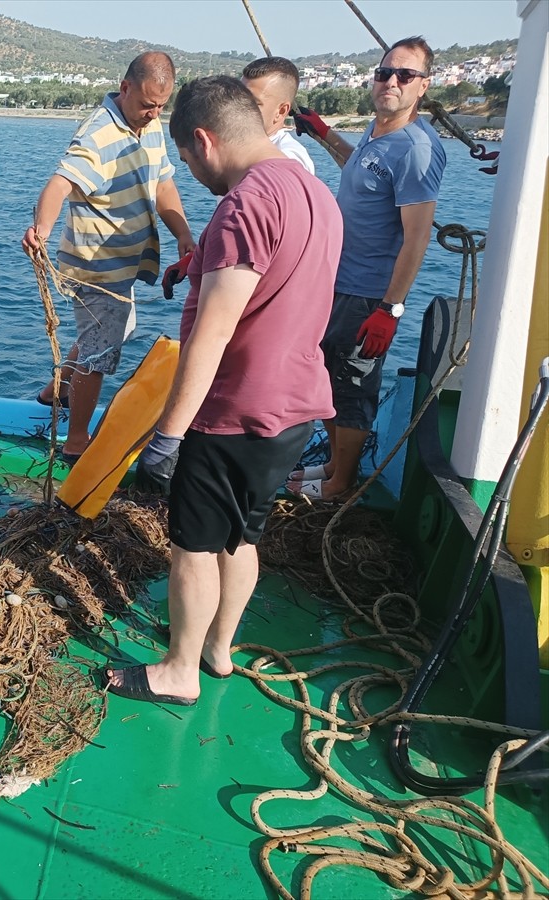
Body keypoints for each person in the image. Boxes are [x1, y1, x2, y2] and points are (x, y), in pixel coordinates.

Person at [106, 76, 342, 705]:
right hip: (293, 407)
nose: (191, 170)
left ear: (204, 140)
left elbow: (212, 334)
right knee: (243, 535)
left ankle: (178, 670)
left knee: (193, 544)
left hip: (233, 411)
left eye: (186, 158)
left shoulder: (244, 206)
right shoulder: (314, 190)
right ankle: (217, 649)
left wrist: (170, 436)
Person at [288, 36, 446, 499]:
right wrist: (321, 132)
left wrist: (389, 309)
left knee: (353, 387)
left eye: (405, 75)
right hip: (337, 281)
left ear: (423, 86)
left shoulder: (415, 148)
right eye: (384, 73)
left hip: (369, 292)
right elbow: (357, 166)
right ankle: (335, 467)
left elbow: (416, 238)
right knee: (329, 378)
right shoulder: (379, 134)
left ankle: (340, 484)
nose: (391, 81)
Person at [22, 52, 195, 464]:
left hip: (128, 265)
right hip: (95, 266)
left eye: (161, 106)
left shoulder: (150, 127)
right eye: (146, 105)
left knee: (102, 339)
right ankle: (77, 440)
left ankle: (57, 390)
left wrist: (184, 234)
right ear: (125, 88)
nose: (153, 114)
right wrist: (41, 229)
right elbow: (60, 183)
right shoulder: (98, 134)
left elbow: (164, 182)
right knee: (99, 356)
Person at [241, 56, 315, 175]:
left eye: (253, 103)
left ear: (281, 111)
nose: (239, 107)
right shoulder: (239, 149)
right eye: (238, 99)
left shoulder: (291, 158)